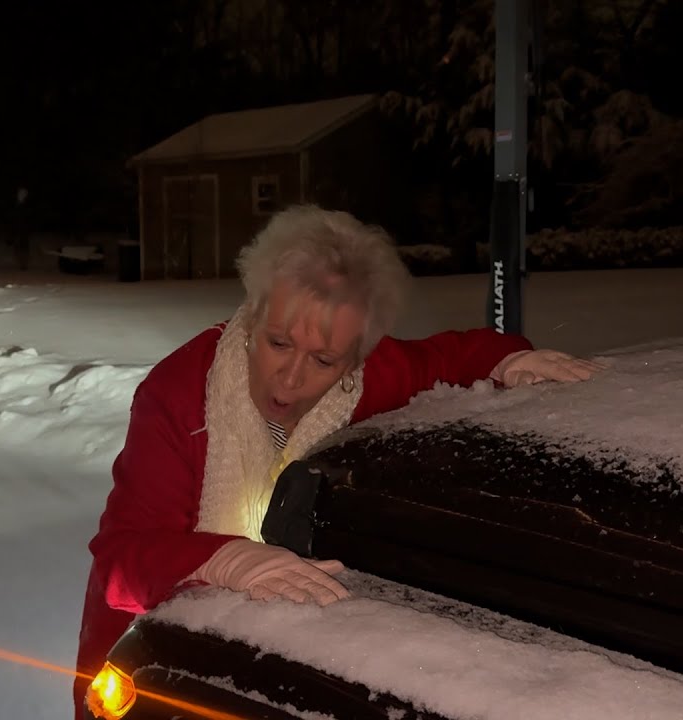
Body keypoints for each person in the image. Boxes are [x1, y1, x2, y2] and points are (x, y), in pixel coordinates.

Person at [72, 205, 603, 717]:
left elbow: (449, 357)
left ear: (356, 358)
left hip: (265, 652)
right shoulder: (180, 394)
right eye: (278, 342)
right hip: (138, 668)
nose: (291, 377)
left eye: (323, 359)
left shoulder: (361, 382)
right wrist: (225, 559)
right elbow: (120, 557)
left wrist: (509, 359)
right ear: (252, 315)